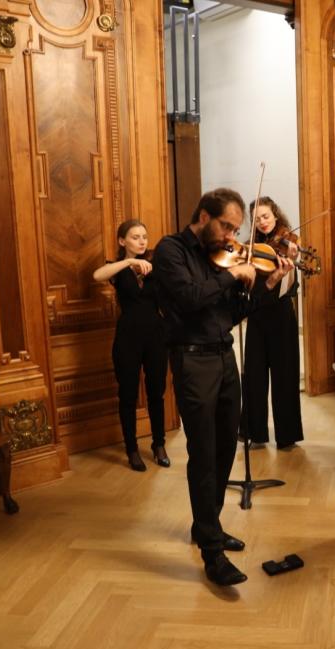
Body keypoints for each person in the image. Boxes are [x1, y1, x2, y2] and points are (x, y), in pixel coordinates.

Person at [154, 188, 294, 587]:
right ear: (203, 216)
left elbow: (234, 313)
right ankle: (212, 554)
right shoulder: (171, 251)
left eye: (235, 228)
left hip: (224, 357)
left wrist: (268, 283)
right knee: (203, 454)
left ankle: (207, 526)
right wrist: (232, 275)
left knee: (225, 449)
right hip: (192, 360)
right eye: (227, 226)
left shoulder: (221, 256)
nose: (232, 236)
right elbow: (190, 298)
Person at [92, 220, 168, 473]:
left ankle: (159, 444)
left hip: (156, 335)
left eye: (144, 236)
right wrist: (128, 262)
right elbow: (97, 275)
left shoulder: (155, 264)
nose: (142, 241)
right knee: (127, 395)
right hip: (128, 338)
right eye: (135, 237)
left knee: (156, 392)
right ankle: (132, 449)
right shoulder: (117, 268)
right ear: (122, 241)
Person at [240, 196, 304, 450]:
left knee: (285, 375)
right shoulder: (250, 247)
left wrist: (291, 266)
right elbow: (249, 288)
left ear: (275, 215)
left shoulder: (289, 242)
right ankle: (255, 433)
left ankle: (287, 435)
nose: (262, 222)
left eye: (265, 216)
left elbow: (291, 288)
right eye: (256, 219)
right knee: (254, 375)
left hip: (281, 315)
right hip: (257, 315)